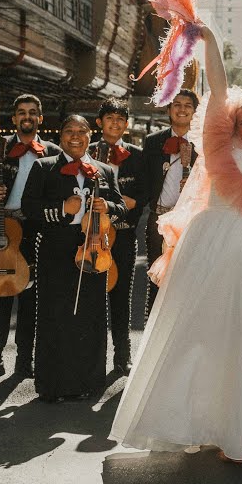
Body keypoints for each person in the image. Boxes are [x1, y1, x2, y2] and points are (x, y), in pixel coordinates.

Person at [111, 26, 242, 463]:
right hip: (215, 256)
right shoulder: (221, 150)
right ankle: (214, 427)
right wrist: (211, 41)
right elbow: (220, 92)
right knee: (210, 342)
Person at [21, 115, 126, 402]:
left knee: (91, 316)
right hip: (56, 245)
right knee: (54, 314)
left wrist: (108, 206)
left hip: (94, 248)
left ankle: (88, 383)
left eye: (82, 131)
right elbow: (29, 207)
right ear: (61, 135)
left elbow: (121, 207)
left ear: (91, 135)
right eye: (70, 131)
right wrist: (61, 207)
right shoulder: (44, 167)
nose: (76, 136)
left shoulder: (104, 170)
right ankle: (52, 385)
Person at [0, 95, 62, 382]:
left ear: (41, 118)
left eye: (33, 112)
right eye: (21, 113)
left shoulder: (52, 152)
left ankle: (24, 362)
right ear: (14, 118)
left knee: (31, 299)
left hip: (35, 230)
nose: (27, 117)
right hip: (3, 227)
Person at [91, 99, 144, 375]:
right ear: (99, 122)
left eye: (120, 118)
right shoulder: (86, 153)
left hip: (123, 236)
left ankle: (122, 356)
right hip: (92, 236)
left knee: (121, 297)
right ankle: (93, 357)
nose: (115, 123)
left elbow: (143, 195)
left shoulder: (136, 155)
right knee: (93, 299)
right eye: (109, 118)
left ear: (126, 124)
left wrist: (122, 203)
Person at [141, 89, 199, 317]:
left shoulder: (203, 144)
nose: (182, 109)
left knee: (188, 277)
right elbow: (145, 182)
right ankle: (152, 333)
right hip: (159, 221)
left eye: (187, 105)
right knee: (156, 278)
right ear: (169, 109)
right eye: (177, 104)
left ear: (194, 112)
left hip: (190, 223)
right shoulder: (153, 142)